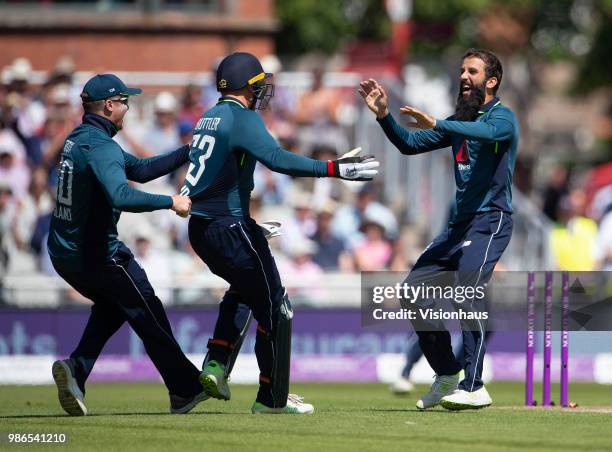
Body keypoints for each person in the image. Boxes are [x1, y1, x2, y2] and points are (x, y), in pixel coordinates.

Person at [183, 52, 379, 414]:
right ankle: (271, 399)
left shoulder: (208, 117)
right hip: (230, 225)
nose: (263, 91)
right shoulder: (242, 117)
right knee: (278, 308)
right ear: (247, 86)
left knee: (244, 288)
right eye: (258, 84)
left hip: (202, 228)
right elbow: (279, 160)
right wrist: (335, 168)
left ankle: (215, 363)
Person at [359, 48, 518, 410]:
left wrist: (439, 124)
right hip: (458, 225)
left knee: (466, 294)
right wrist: (385, 116)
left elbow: (484, 131)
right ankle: (446, 372)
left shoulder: (503, 118)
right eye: (462, 70)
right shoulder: (455, 123)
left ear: (490, 81)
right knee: (413, 292)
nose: (464, 76)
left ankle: (475, 384)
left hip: (490, 220)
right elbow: (410, 144)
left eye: (472, 71)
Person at [47, 74, 207, 416]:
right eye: (124, 102)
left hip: (65, 252)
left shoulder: (81, 139)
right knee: (146, 308)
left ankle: (77, 367)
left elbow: (141, 169)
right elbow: (121, 194)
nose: (127, 108)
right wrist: (170, 202)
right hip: (97, 255)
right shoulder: (101, 147)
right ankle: (184, 388)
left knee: (115, 306)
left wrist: (190, 151)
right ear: (109, 105)